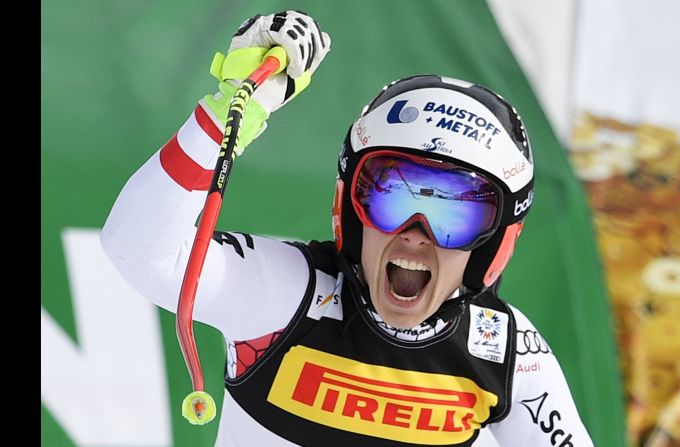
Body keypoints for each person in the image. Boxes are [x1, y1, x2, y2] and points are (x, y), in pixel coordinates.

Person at [101, 10, 594, 447]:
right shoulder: (285, 293)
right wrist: (232, 108)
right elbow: (138, 249)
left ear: (494, 244)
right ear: (350, 210)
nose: (416, 233)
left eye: (454, 216)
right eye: (391, 195)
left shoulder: (505, 350)